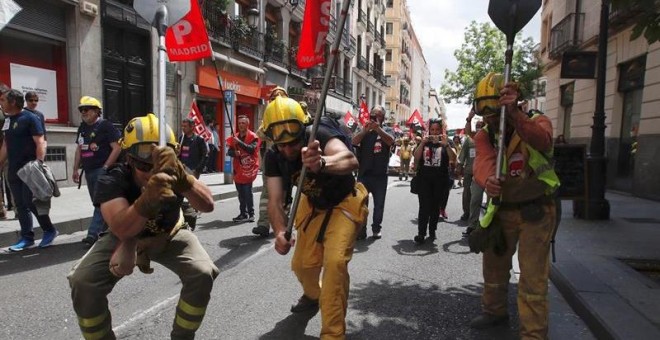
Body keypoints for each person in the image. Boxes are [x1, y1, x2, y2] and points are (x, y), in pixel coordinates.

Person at [67, 113, 219, 340]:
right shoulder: (112, 179)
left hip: (169, 234)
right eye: (142, 164)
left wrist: (183, 180)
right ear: (128, 159)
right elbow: (120, 228)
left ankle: (182, 337)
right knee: (83, 281)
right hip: (124, 236)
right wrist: (147, 201)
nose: (150, 171)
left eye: (157, 164)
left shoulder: (176, 171)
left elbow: (207, 205)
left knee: (203, 273)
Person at [261, 96, 368, 339]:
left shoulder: (319, 132)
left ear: (303, 131)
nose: (288, 150)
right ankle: (313, 295)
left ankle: (333, 333)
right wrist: (279, 232)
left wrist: (322, 162)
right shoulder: (273, 156)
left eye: (293, 143)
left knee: (334, 264)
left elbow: (350, 160)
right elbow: (276, 201)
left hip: (344, 203)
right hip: (311, 205)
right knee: (302, 265)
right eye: (281, 145)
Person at [468, 73, 559, 339]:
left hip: (536, 211)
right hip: (502, 210)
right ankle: (494, 311)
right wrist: (489, 181)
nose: (490, 119)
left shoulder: (537, 122)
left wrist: (516, 117)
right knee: (494, 266)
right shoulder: (485, 135)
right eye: (484, 113)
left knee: (532, 277)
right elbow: (482, 161)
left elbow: (542, 141)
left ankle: (533, 334)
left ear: (510, 104)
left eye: (494, 111)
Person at [0, 88, 58, 251]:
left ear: (12, 102)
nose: (1, 103)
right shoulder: (8, 120)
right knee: (20, 204)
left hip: (30, 169)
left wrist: (39, 163)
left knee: (31, 202)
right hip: (14, 169)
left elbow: (40, 142)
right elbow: (6, 144)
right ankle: (27, 237)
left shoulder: (30, 118)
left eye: (3, 100)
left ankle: (49, 230)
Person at [72, 96, 122, 246]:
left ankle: (92, 235)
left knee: (100, 204)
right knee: (99, 203)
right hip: (88, 170)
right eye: (81, 110)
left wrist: (106, 167)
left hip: (102, 170)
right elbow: (79, 149)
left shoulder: (106, 126)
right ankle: (109, 233)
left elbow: (117, 148)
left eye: (86, 109)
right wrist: (75, 169)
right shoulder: (82, 128)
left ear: (96, 111)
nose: (83, 112)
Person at [352, 105, 394, 239]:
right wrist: (365, 130)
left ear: (382, 117)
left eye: (378, 115)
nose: (374, 118)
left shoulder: (387, 130)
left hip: (380, 175)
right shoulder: (364, 129)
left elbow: (390, 141)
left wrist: (378, 129)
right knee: (361, 203)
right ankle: (361, 230)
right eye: (372, 115)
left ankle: (376, 228)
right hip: (364, 173)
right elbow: (354, 141)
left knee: (379, 204)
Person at [252, 86, 289, 237]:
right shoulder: (268, 116)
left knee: (285, 193)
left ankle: (283, 224)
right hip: (271, 158)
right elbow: (259, 134)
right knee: (267, 193)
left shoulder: (291, 112)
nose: (277, 100)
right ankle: (263, 224)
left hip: (287, 157)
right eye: (274, 98)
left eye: (279, 96)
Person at [412, 118, 455, 244]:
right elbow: (416, 157)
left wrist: (446, 145)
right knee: (424, 206)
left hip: (440, 180)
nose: (435, 133)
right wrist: (422, 143)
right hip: (424, 179)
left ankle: (432, 230)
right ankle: (421, 233)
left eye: (437, 130)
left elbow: (454, 158)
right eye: (432, 130)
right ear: (429, 130)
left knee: (435, 207)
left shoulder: (447, 142)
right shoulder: (424, 142)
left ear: (442, 130)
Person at [227, 115, 260, 223]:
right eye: (239, 123)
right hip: (238, 169)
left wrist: (239, 143)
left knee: (247, 192)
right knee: (240, 193)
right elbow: (229, 152)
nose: (241, 125)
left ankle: (251, 213)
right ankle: (243, 213)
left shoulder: (253, 136)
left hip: (249, 168)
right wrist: (234, 153)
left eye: (243, 123)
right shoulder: (235, 136)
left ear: (247, 124)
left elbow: (252, 149)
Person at [462, 112, 486, 237]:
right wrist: (469, 118)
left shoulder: (493, 135)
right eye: (477, 126)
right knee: (475, 199)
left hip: (493, 173)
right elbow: (468, 131)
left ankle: (491, 226)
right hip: (477, 174)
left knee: (494, 202)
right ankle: (472, 225)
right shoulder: (474, 138)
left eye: (481, 126)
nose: (479, 128)